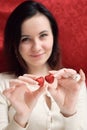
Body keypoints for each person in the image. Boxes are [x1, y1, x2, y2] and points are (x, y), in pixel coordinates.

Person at [0, 0, 87, 130]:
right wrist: (21, 117)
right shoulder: (4, 84)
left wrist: (69, 112)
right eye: (25, 39)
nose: (36, 47)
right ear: (15, 44)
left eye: (43, 35)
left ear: (53, 36)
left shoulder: (73, 83)